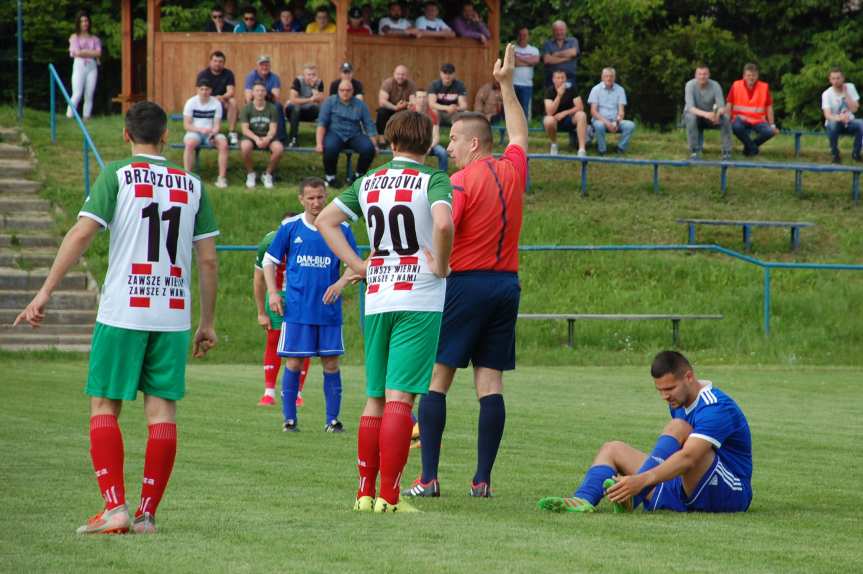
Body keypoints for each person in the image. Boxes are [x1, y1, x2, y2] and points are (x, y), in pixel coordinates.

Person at [14, 101, 219, 534]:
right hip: (172, 313)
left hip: (124, 308)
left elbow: (84, 232)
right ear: (166, 136)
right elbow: (208, 262)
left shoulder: (118, 175)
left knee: (104, 405)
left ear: (126, 136)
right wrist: (207, 322)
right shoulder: (194, 185)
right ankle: (146, 514)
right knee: (162, 411)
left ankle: (115, 508)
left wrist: (45, 291)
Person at [404, 43, 528, 500]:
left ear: (473, 143)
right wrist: (506, 86)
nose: (449, 147)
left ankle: (429, 477)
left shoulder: (458, 181)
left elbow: (445, 223)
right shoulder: (513, 169)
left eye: (454, 140)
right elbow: (518, 133)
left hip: (465, 283)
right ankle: (481, 481)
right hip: (506, 284)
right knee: (489, 382)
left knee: (438, 378)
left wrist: (439, 261)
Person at [316, 109, 455, 513]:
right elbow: (443, 225)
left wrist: (358, 265)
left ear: (390, 143)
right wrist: (442, 264)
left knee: (374, 397)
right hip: (419, 296)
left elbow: (326, 221)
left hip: (377, 295)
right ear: (428, 144)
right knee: (400, 400)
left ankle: (364, 492)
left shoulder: (370, 180)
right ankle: (390, 497)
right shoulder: (434, 178)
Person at [537, 351, 753, 514]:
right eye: (659, 390)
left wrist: (640, 480)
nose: (664, 396)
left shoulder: (715, 406)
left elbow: (689, 458)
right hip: (689, 488)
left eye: (669, 389)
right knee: (612, 449)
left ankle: (636, 493)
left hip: (730, 492)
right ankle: (583, 500)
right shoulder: (678, 402)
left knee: (679, 428)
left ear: (689, 377)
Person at [262, 177, 358, 433]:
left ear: (326, 196)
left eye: (320, 197)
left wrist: (339, 284)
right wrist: (273, 293)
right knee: (293, 363)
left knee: (331, 364)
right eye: (311, 198)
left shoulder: (341, 228)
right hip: (297, 310)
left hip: (328, 311)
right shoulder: (290, 227)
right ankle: (290, 419)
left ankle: (332, 420)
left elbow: (355, 266)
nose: (316, 202)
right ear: (301, 199)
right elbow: (269, 261)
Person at [254, 213, 312, 407]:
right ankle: (268, 392)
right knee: (274, 338)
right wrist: (261, 312)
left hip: (303, 296)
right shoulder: (270, 241)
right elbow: (258, 278)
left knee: (303, 344)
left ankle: (297, 393)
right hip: (278, 294)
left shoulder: (311, 237)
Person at [317, 81, 378, 188]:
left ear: (353, 91)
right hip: (335, 133)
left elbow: (369, 125)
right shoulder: (329, 102)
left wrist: (375, 145)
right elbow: (322, 123)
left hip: (354, 134)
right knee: (330, 147)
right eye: (342, 90)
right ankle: (330, 177)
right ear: (338, 91)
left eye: (348, 90)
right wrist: (318, 144)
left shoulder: (360, 105)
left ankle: (358, 176)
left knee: (369, 148)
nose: (345, 93)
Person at [182, 78, 229, 188]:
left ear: (211, 90)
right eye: (201, 89)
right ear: (197, 90)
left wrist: (213, 133)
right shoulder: (191, 102)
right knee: (190, 143)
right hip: (194, 132)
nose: (204, 92)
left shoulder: (216, 103)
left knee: (223, 143)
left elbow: (217, 125)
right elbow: (187, 125)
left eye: (207, 89)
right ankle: (187, 176)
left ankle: (221, 178)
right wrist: (200, 129)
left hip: (211, 133)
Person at [727, 63, 779, 157]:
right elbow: (729, 104)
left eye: (753, 75)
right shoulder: (736, 85)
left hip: (758, 120)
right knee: (736, 127)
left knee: (770, 132)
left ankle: (749, 147)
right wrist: (727, 119)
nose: (751, 78)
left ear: (757, 76)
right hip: (740, 119)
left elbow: (769, 107)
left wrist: (772, 125)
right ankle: (753, 148)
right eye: (748, 75)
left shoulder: (764, 87)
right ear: (744, 76)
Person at [239, 82, 284, 189]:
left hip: (267, 136)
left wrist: (267, 139)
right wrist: (256, 138)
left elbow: (273, 129)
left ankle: (267, 174)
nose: (260, 93)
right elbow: (245, 129)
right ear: (253, 93)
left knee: (279, 149)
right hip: (251, 136)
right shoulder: (246, 108)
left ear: (265, 93)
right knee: (245, 147)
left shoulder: (272, 108)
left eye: (262, 91)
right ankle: (250, 173)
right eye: (257, 90)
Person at [684, 65, 732, 160]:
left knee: (725, 118)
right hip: (696, 116)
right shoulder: (689, 85)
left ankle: (726, 151)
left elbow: (722, 107)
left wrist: (717, 115)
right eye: (700, 74)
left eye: (705, 74)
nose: (702, 76)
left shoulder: (715, 85)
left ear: (709, 75)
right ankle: (694, 150)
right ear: (695, 75)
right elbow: (690, 108)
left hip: (711, 116)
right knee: (691, 117)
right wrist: (706, 114)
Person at [587, 67, 636, 154]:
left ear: (614, 77)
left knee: (630, 125)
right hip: (599, 120)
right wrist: (607, 123)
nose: (609, 78)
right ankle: (602, 150)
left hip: (615, 120)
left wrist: (617, 122)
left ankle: (621, 148)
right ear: (602, 77)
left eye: (611, 76)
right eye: (606, 76)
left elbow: (621, 111)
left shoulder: (620, 90)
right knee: (599, 125)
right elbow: (593, 112)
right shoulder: (595, 89)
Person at [196, 51, 239, 146]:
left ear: (224, 63)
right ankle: (205, 131)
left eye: (220, 61)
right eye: (215, 61)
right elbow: (199, 92)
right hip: (207, 102)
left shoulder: (228, 74)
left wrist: (222, 97)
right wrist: (213, 99)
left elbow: (231, 91)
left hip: (223, 102)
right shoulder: (203, 74)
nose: (217, 64)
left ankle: (232, 133)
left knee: (233, 101)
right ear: (210, 62)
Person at [821, 67, 862, 164]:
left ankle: (856, 153)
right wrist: (840, 118)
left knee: (861, 124)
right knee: (833, 124)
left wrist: (846, 93)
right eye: (833, 78)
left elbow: (855, 109)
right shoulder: (826, 94)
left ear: (843, 78)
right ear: (830, 80)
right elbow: (827, 115)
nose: (836, 81)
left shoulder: (850, 87)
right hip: (834, 122)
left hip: (850, 121)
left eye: (838, 78)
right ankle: (835, 155)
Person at [67, 11, 102, 121]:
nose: (84, 23)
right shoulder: (74, 37)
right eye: (82, 21)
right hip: (79, 65)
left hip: (92, 66)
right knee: (77, 93)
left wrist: (84, 51)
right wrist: (90, 52)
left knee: (89, 93)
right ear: (78, 23)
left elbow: (98, 53)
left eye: (86, 20)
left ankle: (86, 116)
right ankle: (69, 115)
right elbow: (76, 52)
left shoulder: (95, 39)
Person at [544, 69, 587, 156]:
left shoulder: (571, 89)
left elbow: (580, 107)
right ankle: (554, 144)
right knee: (548, 120)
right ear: (553, 79)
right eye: (558, 78)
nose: (560, 80)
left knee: (582, 115)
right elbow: (550, 112)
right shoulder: (549, 91)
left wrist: (565, 113)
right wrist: (559, 95)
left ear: (566, 79)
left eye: (562, 78)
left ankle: (582, 149)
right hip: (554, 119)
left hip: (569, 119)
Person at [243, 56, 285, 141]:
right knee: (247, 106)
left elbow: (276, 97)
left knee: (278, 106)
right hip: (254, 103)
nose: (264, 67)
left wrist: (259, 94)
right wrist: (263, 95)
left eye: (266, 65)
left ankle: (280, 137)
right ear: (257, 66)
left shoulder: (274, 77)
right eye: (262, 65)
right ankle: (251, 135)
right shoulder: (250, 76)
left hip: (269, 104)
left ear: (270, 66)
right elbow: (248, 97)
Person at [286, 64, 326, 148]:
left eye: (313, 74)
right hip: (293, 111)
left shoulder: (319, 82)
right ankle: (293, 139)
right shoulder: (298, 81)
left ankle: (322, 139)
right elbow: (293, 100)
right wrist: (310, 100)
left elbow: (321, 100)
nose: (311, 77)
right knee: (296, 108)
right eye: (308, 74)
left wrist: (313, 87)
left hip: (308, 112)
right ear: (304, 75)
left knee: (320, 108)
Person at [376, 65, 417, 142]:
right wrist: (395, 107)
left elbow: (413, 102)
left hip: (404, 109)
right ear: (394, 74)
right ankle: (382, 138)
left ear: (407, 75)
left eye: (403, 74)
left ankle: (406, 138)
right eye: (398, 74)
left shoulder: (411, 85)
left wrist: (406, 104)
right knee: (381, 112)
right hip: (390, 108)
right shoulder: (388, 83)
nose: (400, 76)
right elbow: (382, 101)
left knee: (413, 113)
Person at [410, 90, 449, 170]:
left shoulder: (432, 114)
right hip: (413, 144)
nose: (422, 100)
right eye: (419, 97)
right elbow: (408, 135)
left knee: (442, 152)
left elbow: (436, 137)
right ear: (415, 99)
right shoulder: (409, 114)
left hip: (429, 144)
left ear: (427, 98)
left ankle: (442, 176)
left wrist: (428, 147)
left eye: (424, 97)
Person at [513, 26, 540, 120]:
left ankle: (526, 127)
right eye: (521, 35)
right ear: (518, 36)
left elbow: (535, 61)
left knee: (525, 107)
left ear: (528, 36)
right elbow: (514, 63)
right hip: (513, 82)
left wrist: (519, 58)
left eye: (525, 35)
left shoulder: (534, 50)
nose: (523, 37)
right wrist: (528, 61)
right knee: (513, 106)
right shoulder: (513, 49)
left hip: (527, 84)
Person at [541, 20, 578, 89]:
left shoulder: (573, 41)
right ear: (553, 31)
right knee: (551, 99)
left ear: (566, 30)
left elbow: (573, 52)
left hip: (569, 77)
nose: (559, 32)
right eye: (556, 30)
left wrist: (556, 54)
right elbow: (547, 60)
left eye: (561, 30)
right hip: (551, 79)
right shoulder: (547, 44)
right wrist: (566, 58)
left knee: (569, 99)